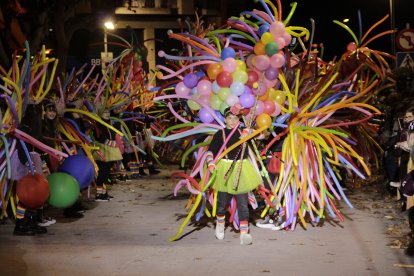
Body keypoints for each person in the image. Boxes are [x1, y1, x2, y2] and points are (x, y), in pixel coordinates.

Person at [205, 107, 262, 245]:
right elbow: (210, 151)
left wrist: (250, 133)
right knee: (222, 203)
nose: (232, 121)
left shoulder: (243, 132)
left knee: (243, 204)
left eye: (235, 118)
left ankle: (244, 234)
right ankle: (219, 224)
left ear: (239, 120)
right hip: (225, 169)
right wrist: (211, 163)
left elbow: (262, 135)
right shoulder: (220, 134)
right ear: (225, 119)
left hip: (241, 169)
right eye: (229, 118)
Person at [92, 107, 123, 201]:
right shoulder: (98, 124)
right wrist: (111, 143)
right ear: (100, 113)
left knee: (106, 172)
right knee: (102, 172)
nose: (107, 113)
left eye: (108, 111)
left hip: (110, 149)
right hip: (102, 149)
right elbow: (99, 137)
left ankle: (104, 193)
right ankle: (98, 194)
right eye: (104, 112)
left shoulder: (110, 123)